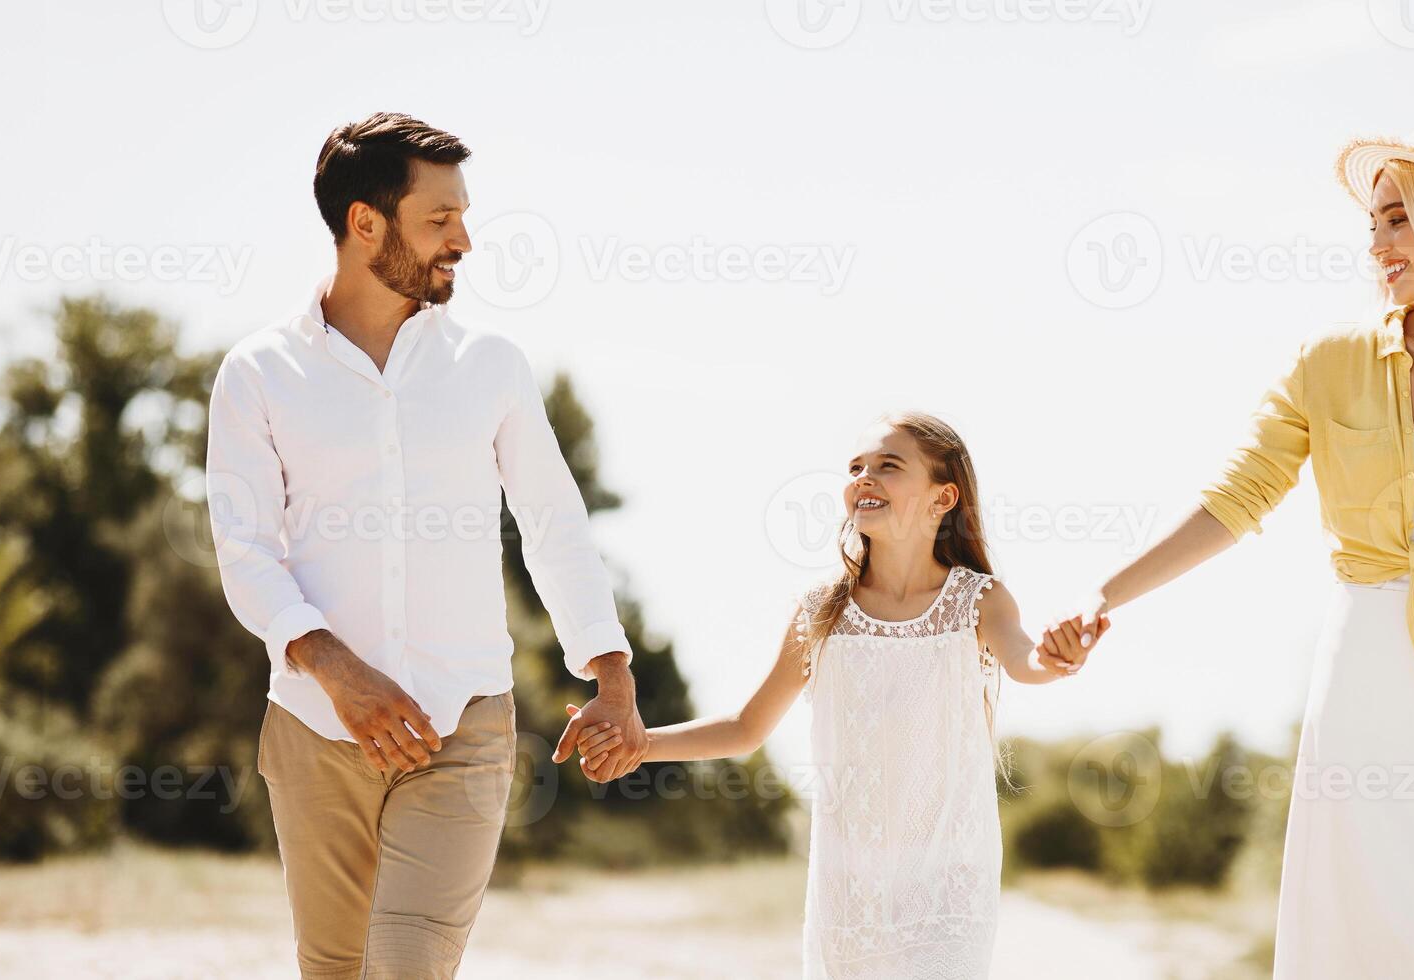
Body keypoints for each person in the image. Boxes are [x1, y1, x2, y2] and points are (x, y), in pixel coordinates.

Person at [1054, 118, 1414, 978]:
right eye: (1371, 225)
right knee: (1371, 921)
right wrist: (1106, 594)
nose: (1377, 246)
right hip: (1369, 671)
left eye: (1397, 219)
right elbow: (1236, 497)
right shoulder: (1330, 362)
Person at [205, 111, 649, 979]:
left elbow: (553, 523)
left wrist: (611, 672)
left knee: (406, 967)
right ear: (364, 223)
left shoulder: (489, 364)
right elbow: (244, 550)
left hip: (464, 724)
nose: (464, 241)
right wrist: (337, 671)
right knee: (333, 971)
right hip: (313, 728)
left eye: (463, 216)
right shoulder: (258, 374)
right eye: (438, 220)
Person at [572, 413, 1087, 978]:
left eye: (888, 466)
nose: (864, 478)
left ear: (943, 497)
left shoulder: (978, 599)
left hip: (948, 889)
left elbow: (1025, 661)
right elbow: (747, 726)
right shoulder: (823, 611)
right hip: (850, 897)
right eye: (856, 468)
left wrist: (1055, 658)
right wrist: (637, 746)